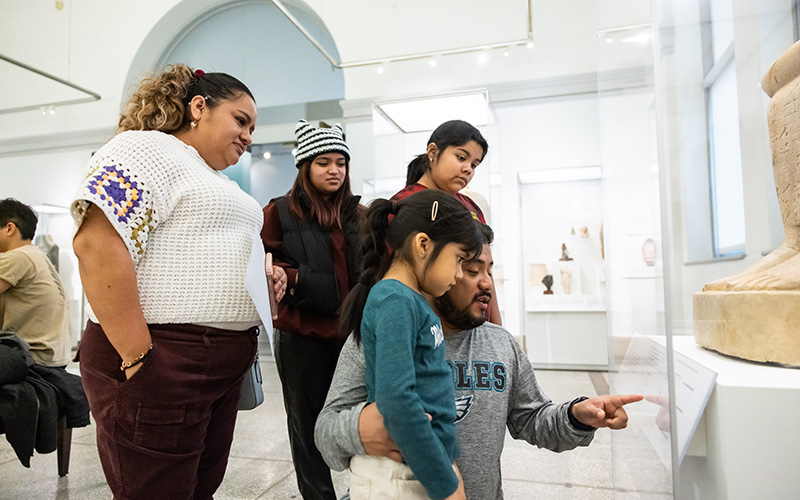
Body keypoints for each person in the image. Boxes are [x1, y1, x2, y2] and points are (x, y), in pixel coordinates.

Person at [71, 64, 285, 500]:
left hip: (219, 366)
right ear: (199, 107)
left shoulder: (219, 181)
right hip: (164, 357)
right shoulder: (145, 149)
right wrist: (137, 355)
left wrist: (265, 279)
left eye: (253, 128)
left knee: (197, 488)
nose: (248, 136)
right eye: (240, 120)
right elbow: (97, 243)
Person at [316, 222, 643, 499]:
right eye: (471, 269)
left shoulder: (500, 344)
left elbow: (531, 419)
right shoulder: (379, 337)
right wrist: (360, 428)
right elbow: (325, 433)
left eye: (489, 270)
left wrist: (576, 416)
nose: (486, 283)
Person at [338, 189, 483, 500]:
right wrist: (445, 484)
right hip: (396, 479)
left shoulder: (409, 301)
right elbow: (398, 401)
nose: (459, 275)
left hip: (414, 470)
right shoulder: (395, 301)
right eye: (458, 259)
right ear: (422, 245)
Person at [260, 119, 362, 500]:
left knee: (359, 421)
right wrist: (287, 276)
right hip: (303, 335)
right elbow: (266, 262)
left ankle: (364, 490)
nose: (334, 170)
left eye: (341, 162)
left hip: (353, 337)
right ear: (305, 166)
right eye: (323, 162)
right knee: (305, 426)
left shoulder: (359, 214)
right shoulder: (279, 212)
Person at [393, 119, 503, 325]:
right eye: (461, 157)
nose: (468, 169)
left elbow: (485, 270)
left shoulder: (471, 207)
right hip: (429, 323)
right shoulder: (406, 204)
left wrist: (496, 329)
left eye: (474, 164)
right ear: (433, 152)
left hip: (474, 322)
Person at [0, 198, 72, 368]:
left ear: (9, 228)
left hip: (31, 357)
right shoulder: (35, 254)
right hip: (51, 357)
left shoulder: (17, 257)